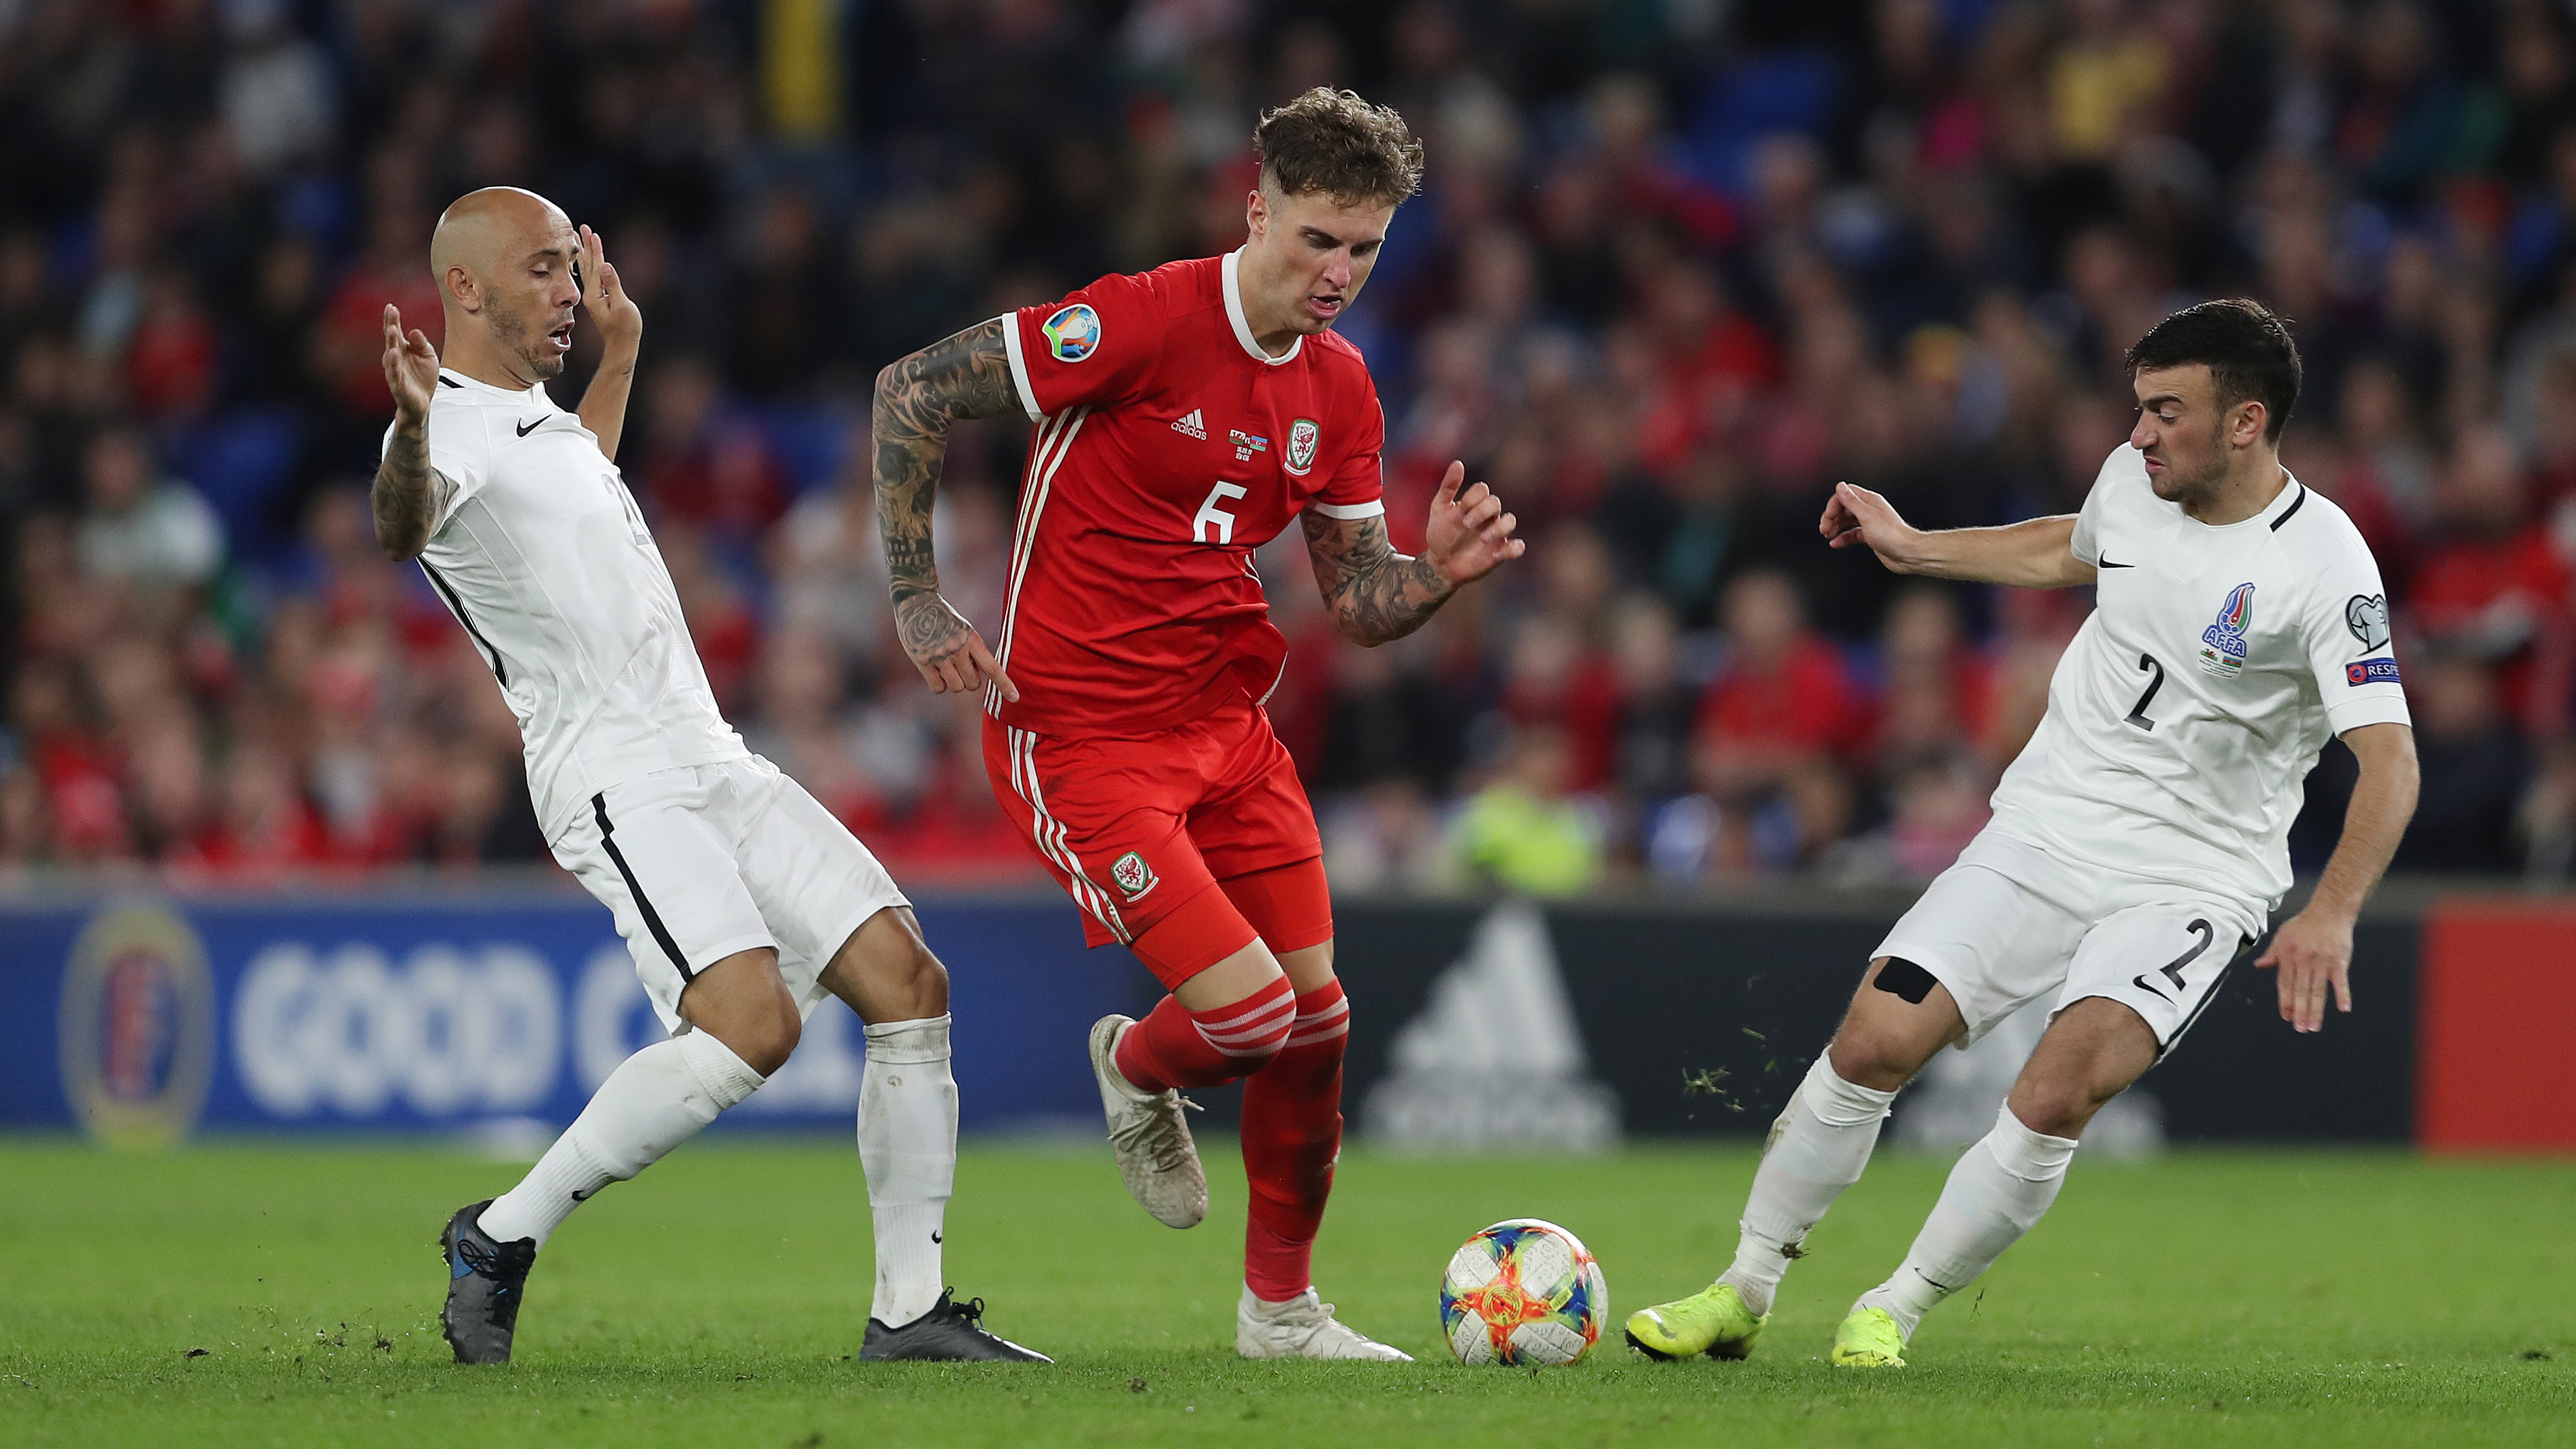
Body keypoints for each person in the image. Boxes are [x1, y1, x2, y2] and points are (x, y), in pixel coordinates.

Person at [1625, 299, 2420, 1368]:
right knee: (1874, 1037)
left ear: (2246, 422)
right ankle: (1743, 1287)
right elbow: (2070, 549)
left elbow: (2391, 758)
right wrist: (1914, 548)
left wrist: (2332, 910)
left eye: (2166, 412)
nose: (2138, 434)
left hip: (2193, 875)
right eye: (2137, 408)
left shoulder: (2327, 565)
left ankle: (1891, 1309)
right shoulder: (2131, 483)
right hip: (2045, 826)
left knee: (2055, 1090)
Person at [868, 88, 1523, 1360]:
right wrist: (912, 593)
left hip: (1228, 730)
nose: (1339, 273)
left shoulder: (1340, 390)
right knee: (1250, 1017)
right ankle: (1139, 1065)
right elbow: (911, 389)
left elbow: (1359, 603)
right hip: (1083, 736)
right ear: (1257, 208)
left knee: (1320, 1020)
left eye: (1366, 248)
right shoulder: (1140, 319)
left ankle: (1281, 1313)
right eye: (1317, 239)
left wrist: (1436, 570)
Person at [375, 187, 1042, 1367]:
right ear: (464, 289)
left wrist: (622, 357)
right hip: (613, 773)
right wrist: (416, 425)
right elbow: (405, 524)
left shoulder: (539, 422)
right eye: (541, 271)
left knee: (909, 980)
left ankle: (910, 1311)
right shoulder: (444, 429)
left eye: (573, 271)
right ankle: (499, 1235)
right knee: (749, 1027)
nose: (569, 293)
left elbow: (578, 481)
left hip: (709, 752)